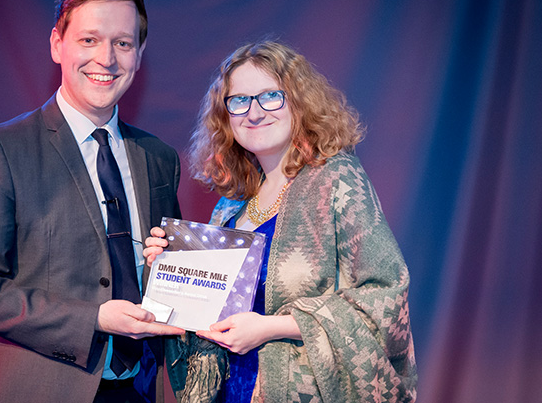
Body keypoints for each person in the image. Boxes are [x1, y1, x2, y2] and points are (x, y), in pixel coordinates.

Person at [0, 0, 184, 403]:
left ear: (140, 53)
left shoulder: (159, 158)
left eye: (122, 43)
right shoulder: (0, 149)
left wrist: (166, 267)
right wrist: (94, 318)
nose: (106, 59)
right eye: (89, 40)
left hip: (139, 389)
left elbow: (168, 278)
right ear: (57, 44)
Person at [144, 40, 418, 402]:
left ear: (299, 102)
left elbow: (384, 297)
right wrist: (168, 270)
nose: (254, 112)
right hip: (232, 392)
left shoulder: (336, 179)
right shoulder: (230, 205)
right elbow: (205, 315)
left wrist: (271, 327)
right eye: (239, 100)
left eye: (270, 96)